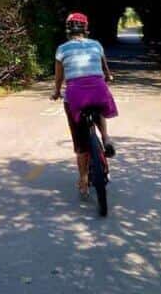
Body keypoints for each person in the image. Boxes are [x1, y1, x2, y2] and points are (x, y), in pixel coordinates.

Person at [50, 12, 118, 198]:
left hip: (76, 95)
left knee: (81, 143)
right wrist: (109, 77)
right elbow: (106, 70)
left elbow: (59, 78)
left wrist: (56, 92)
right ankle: (105, 138)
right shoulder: (96, 45)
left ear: (68, 30)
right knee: (100, 103)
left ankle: (83, 180)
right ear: (86, 29)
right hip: (97, 89)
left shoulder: (62, 49)